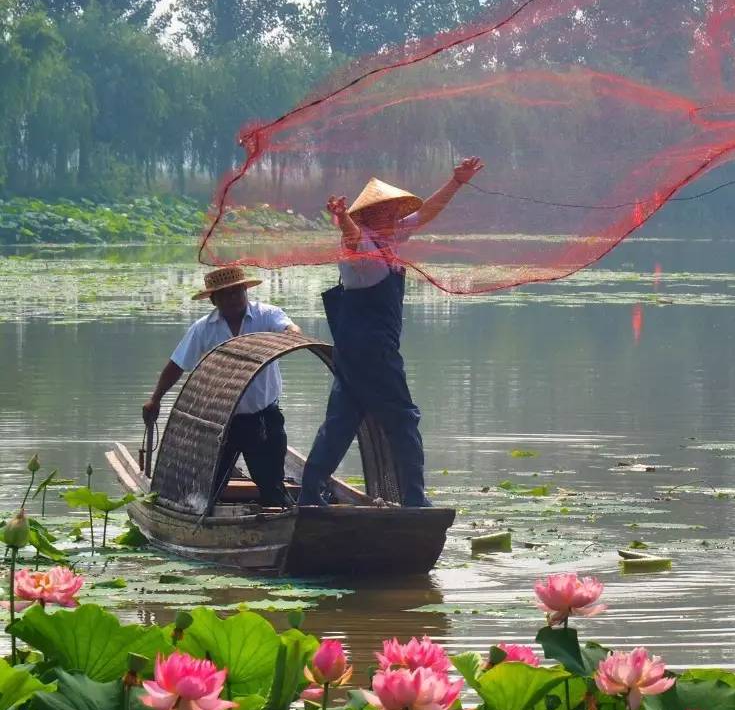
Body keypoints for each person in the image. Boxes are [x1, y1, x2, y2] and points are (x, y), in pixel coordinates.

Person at [300, 158, 483, 507]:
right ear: (368, 217)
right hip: (373, 353)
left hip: (355, 351)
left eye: (394, 211)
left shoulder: (391, 238)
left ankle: (310, 492)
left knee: (342, 421)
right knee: (403, 419)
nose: (393, 217)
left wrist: (456, 182)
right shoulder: (362, 247)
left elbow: (427, 213)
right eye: (384, 213)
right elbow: (350, 236)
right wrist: (343, 218)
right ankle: (414, 499)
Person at [143, 266, 301, 508]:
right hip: (220, 421)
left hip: (263, 419)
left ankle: (277, 522)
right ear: (214, 300)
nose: (233, 299)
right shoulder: (203, 329)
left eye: (237, 292)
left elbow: (290, 329)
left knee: (272, 487)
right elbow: (177, 365)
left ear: (245, 292)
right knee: (207, 488)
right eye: (225, 295)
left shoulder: (266, 315)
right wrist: (155, 399)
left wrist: (291, 333)